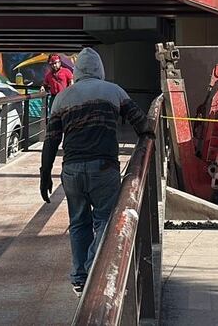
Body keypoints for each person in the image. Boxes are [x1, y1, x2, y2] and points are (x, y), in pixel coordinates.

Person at [39, 48, 149, 296]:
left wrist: (45, 175)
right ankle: (92, 268)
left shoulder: (62, 98)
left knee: (78, 223)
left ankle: (79, 277)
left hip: (72, 170)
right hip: (104, 167)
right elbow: (141, 124)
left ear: (76, 71)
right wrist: (149, 135)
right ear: (100, 69)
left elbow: (51, 141)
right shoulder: (114, 91)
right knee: (104, 221)